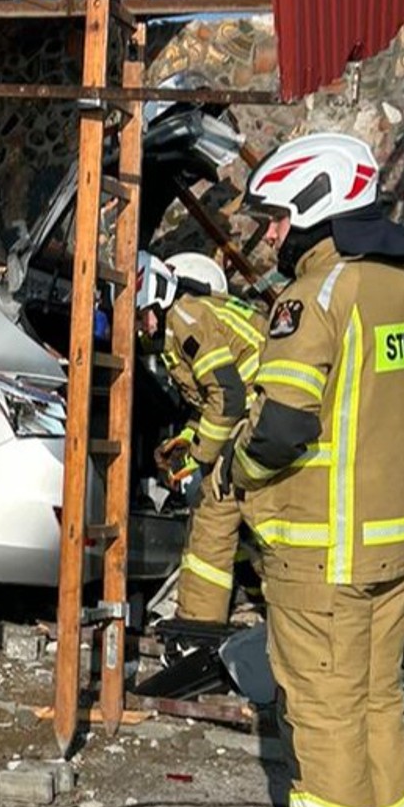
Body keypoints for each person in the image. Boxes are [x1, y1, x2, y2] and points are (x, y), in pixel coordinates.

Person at [225, 132, 404, 807]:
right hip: (400, 544)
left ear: (318, 207)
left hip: (326, 549)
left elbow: (281, 428)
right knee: (377, 704)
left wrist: (236, 475)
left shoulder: (317, 296)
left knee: (320, 711)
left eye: (280, 217)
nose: (273, 234)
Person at [141, 250, 266, 631]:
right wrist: (187, 440)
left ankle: (198, 630)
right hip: (255, 411)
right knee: (245, 518)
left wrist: (200, 456)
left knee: (214, 513)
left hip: (260, 409)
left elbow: (227, 395)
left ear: (156, 302)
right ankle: (258, 601)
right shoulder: (177, 326)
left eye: (137, 315)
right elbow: (212, 399)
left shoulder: (186, 320)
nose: (136, 327)